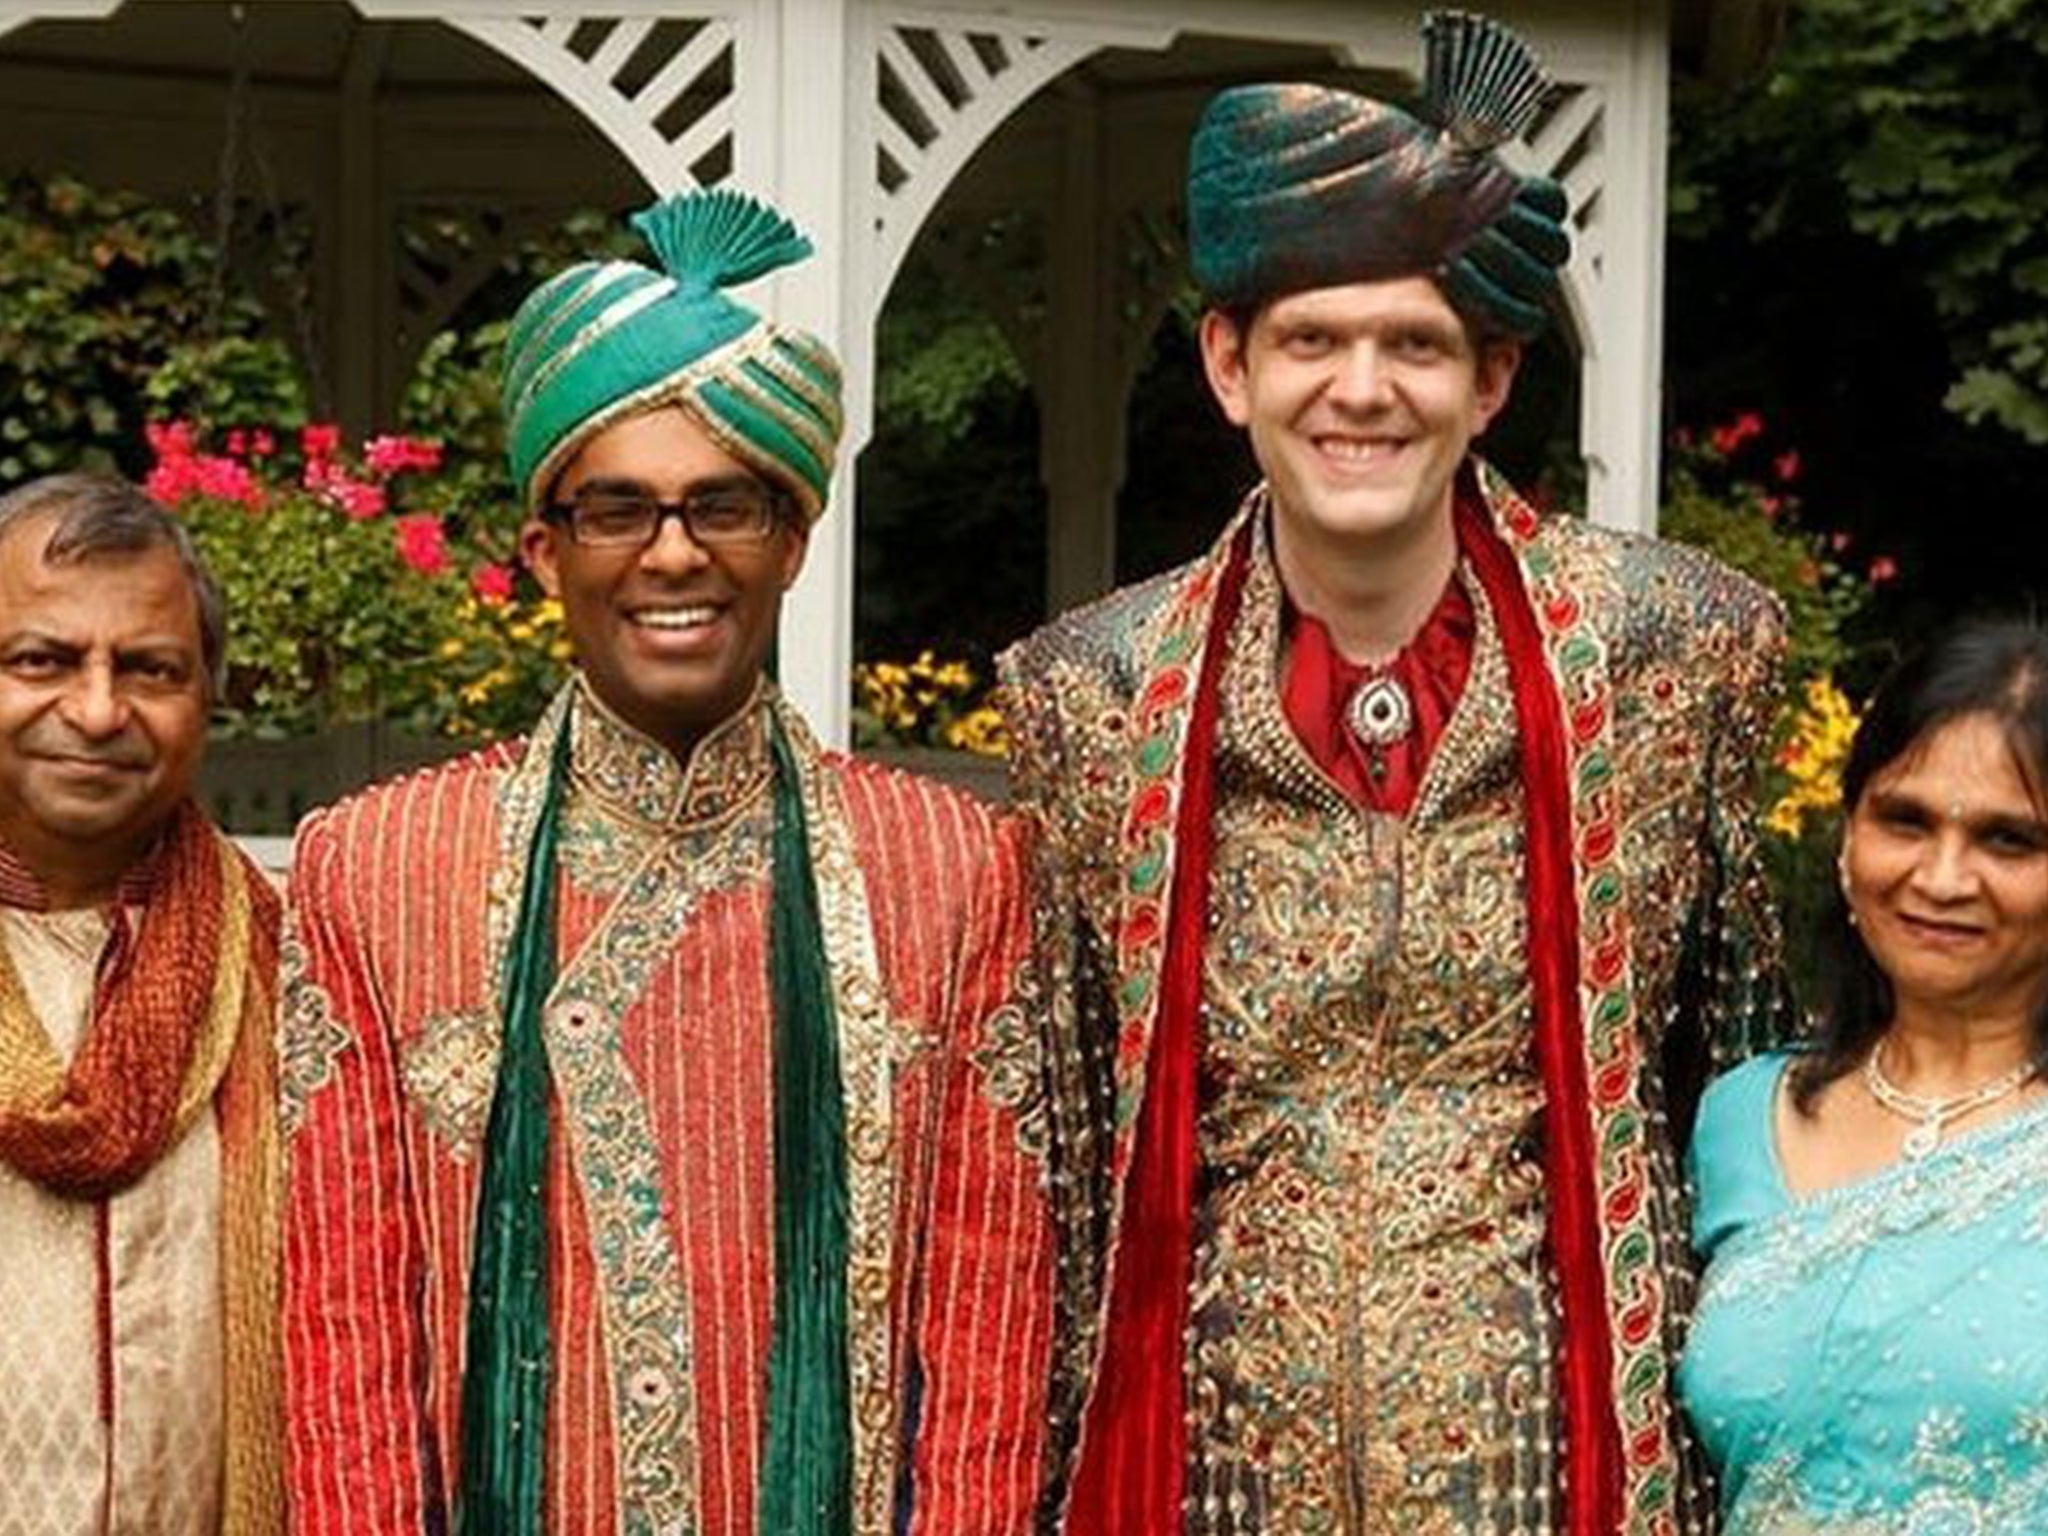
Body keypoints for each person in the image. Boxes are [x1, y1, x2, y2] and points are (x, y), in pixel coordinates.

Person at [999, 12, 1791, 1532]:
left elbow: (1741, 1083)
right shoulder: (1087, 694)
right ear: (1232, 365)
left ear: (1490, 379)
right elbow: (1066, 1142)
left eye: (1415, 344)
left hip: (1554, 1463)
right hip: (1211, 1469)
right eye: (1312, 338)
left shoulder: (1678, 653)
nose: (1361, 388)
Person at [279, 188, 1051, 1536]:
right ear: (544, 548)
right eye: (617, 511)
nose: (674, 554)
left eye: (724, 506)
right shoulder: (379, 868)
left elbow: (990, 1333)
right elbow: (348, 1348)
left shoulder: (952, 867)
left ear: (794, 536)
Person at [1680, 620, 2048, 1532]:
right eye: (1905, 820)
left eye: (2009, 841)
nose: (1944, 876)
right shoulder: (1740, 1119)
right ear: (1848, 839)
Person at [0, 472, 282, 1535]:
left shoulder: (292, 976)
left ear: (205, 699)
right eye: (42, 660)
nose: (98, 709)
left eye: (151, 668)